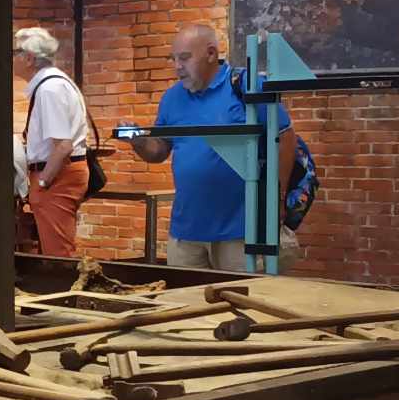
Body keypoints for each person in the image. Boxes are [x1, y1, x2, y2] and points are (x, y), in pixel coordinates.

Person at [129, 21, 302, 271]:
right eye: (173, 59)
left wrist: (277, 198)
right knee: (185, 294)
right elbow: (159, 151)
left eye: (185, 58)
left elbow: (284, 136)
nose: (177, 66)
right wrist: (138, 141)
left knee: (242, 294)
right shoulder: (172, 98)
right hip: (187, 231)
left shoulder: (244, 85)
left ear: (211, 53)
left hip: (241, 230)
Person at [13, 27, 91, 258]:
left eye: (14, 52)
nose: (11, 59)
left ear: (29, 58)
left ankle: (63, 282)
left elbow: (63, 146)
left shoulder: (49, 89)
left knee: (58, 253)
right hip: (58, 173)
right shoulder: (52, 84)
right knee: (55, 249)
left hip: (57, 175)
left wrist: (42, 182)